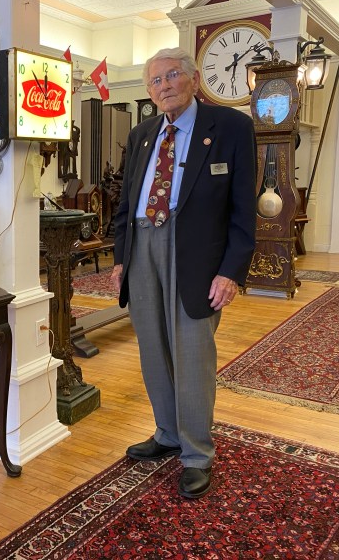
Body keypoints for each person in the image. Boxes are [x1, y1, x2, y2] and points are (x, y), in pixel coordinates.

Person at [110, 47, 256, 499]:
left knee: (192, 354)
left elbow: (243, 210)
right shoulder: (142, 135)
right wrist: (120, 259)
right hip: (142, 244)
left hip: (196, 254)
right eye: (154, 81)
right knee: (153, 349)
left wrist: (231, 271)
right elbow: (126, 200)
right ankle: (168, 433)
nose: (164, 86)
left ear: (194, 79)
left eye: (172, 75)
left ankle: (196, 454)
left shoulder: (231, 127)